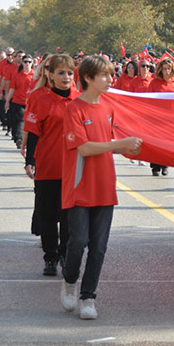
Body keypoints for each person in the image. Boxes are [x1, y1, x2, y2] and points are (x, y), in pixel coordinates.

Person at [60, 56, 142, 320]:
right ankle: (70, 279)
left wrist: (128, 146)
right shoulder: (74, 109)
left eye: (110, 75)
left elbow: (111, 144)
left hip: (105, 185)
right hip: (80, 185)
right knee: (79, 242)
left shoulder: (108, 108)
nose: (109, 80)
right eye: (104, 76)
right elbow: (85, 148)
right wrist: (119, 144)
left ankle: (88, 297)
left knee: (99, 246)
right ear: (87, 78)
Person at [24, 55, 79, 276]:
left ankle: (65, 254)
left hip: (73, 167)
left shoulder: (80, 99)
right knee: (47, 216)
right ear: (50, 75)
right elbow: (34, 134)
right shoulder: (41, 100)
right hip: (47, 167)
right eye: (61, 73)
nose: (66, 77)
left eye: (69, 73)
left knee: (69, 217)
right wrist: (30, 161)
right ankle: (50, 256)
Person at [148, 58, 174, 176]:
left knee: (167, 143)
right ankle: (155, 166)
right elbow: (149, 99)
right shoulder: (154, 83)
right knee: (156, 142)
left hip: (171, 119)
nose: (167, 71)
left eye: (169, 69)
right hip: (157, 118)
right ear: (160, 70)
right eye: (164, 69)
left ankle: (165, 165)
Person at [4, 54, 36, 148]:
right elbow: (12, 89)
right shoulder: (17, 75)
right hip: (18, 101)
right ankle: (19, 139)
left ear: (32, 63)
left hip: (31, 103)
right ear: (22, 63)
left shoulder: (35, 75)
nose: (27, 64)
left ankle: (27, 140)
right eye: (25, 62)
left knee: (29, 122)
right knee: (20, 120)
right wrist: (7, 101)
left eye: (29, 62)